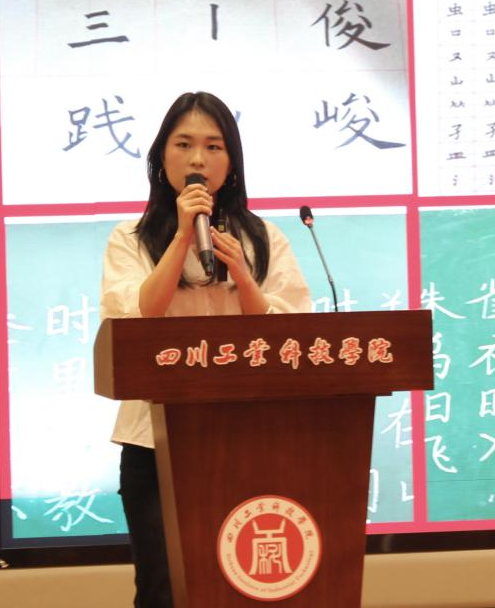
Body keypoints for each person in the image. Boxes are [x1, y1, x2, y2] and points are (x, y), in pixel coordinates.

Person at [100, 91, 312, 608]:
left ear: (231, 161)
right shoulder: (130, 238)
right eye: (184, 144)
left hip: (249, 438)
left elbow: (290, 339)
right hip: (155, 444)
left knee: (247, 588)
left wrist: (244, 276)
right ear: (161, 157)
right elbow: (135, 320)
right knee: (163, 589)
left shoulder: (264, 238)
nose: (198, 159)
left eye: (214, 146)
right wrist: (180, 239)